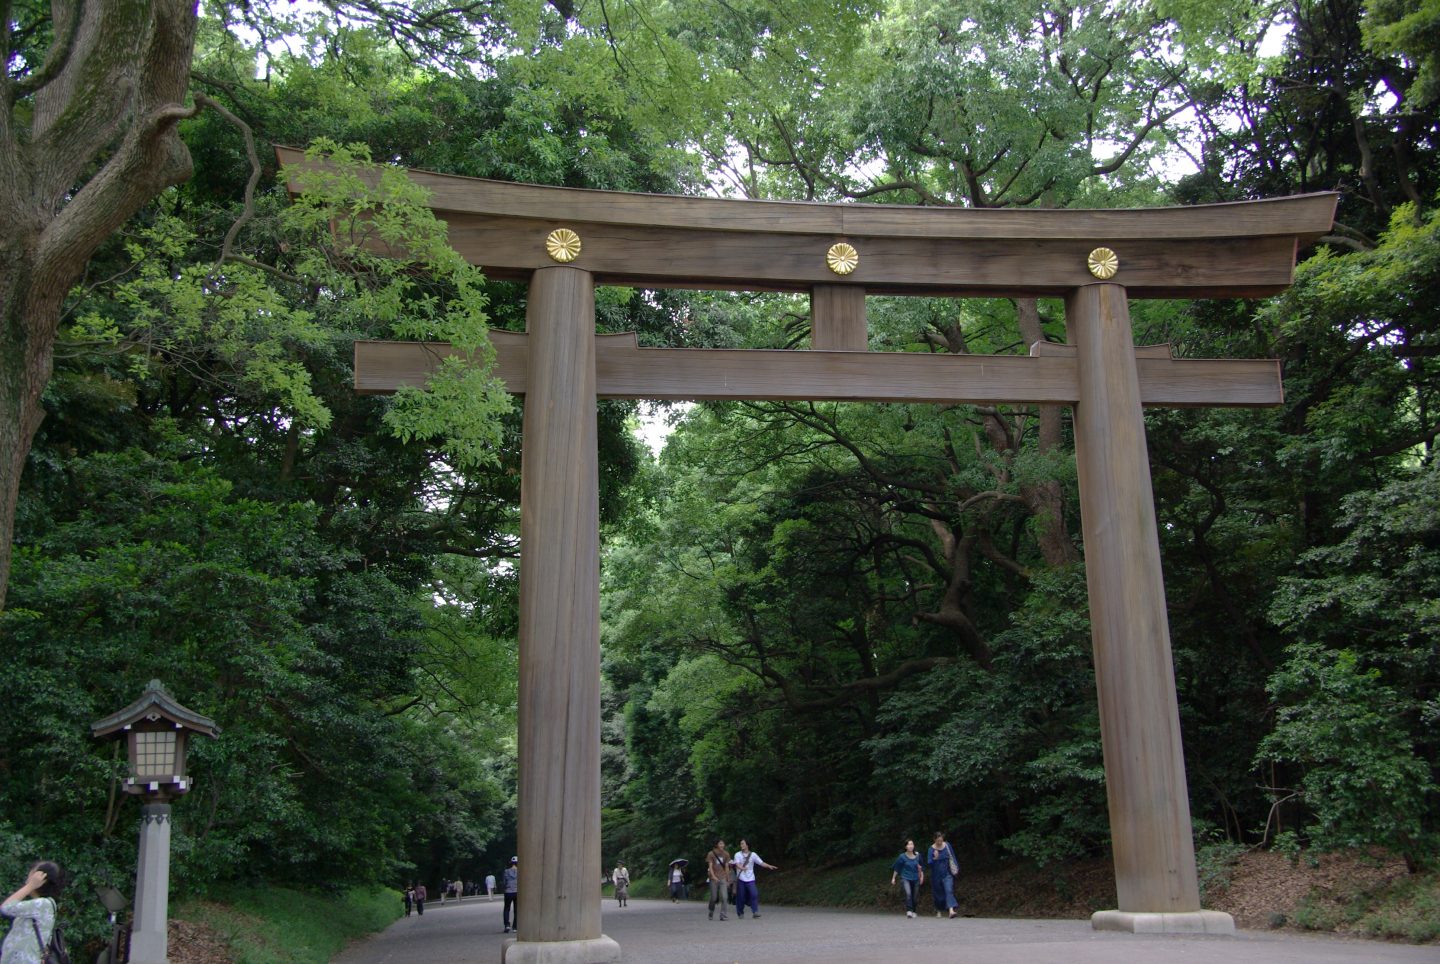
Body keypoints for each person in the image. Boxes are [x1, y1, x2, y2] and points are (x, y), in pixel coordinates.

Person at [1, 861, 64, 964]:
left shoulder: (43, 904)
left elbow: (6, 907)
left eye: (33, 873)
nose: (29, 876)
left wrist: (30, 886)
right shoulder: (38, 905)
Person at [730, 840, 777, 919]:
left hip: (750, 878)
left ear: (747, 845)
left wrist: (769, 866)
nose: (741, 845)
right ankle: (740, 912)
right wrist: (742, 867)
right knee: (741, 896)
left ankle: (755, 911)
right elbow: (737, 864)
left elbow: (761, 863)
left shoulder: (753, 855)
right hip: (741, 879)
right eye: (740, 843)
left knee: (754, 894)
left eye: (742, 843)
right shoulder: (737, 854)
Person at [926, 831, 960, 919]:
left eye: (941, 840)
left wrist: (956, 868)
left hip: (947, 873)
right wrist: (935, 858)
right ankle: (938, 909)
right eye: (938, 841)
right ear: (934, 840)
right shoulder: (931, 849)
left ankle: (951, 910)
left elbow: (953, 857)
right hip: (936, 875)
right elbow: (929, 863)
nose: (940, 842)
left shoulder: (947, 846)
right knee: (939, 894)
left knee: (949, 890)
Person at [889, 839, 925, 919]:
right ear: (905, 847)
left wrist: (922, 876)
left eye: (912, 844)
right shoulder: (902, 857)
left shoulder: (918, 856)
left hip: (916, 878)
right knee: (908, 894)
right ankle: (909, 911)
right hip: (905, 878)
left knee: (915, 896)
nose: (910, 846)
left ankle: (914, 911)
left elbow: (921, 867)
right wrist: (893, 878)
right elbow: (897, 868)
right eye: (908, 844)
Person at [704, 840, 730, 920]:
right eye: (720, 843)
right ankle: (711, 911)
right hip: (713, 878)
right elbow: (710, 867)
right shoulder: (711, 854)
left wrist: (727, 878)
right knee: (714, 897)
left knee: (725, 897)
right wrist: (713, 876)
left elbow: (726, 866)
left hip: (722, 877)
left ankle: (723, 915)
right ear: (717, 845)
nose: (722, 845)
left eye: (723, 843)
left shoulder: (726, 854)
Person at [502, 857, 519, 934]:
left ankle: (507, 925)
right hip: (517, 892)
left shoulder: (506, 871)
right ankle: (515, 926)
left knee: (506, 908)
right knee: (516, 910)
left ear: (511, 863)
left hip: (508, 892)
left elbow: (504, 882)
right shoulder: (520, 871)